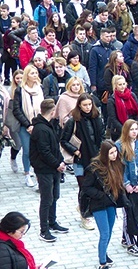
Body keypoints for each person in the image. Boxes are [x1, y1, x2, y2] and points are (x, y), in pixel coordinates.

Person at [82, 140, 129, 269]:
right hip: (98, 203)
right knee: (105, 233)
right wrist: (100, 195)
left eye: (115, 152)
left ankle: (104, 253)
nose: (114, 155)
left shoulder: (118, 165)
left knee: (109, 231)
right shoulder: (95, 168)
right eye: (111, 153)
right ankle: (102, 263)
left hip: (111, 202)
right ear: (104, 154)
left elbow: (119, 185)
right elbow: (86, 187)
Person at [29, 99, 69, 243]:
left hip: (53, 168)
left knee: (54, 196)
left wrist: (61, 162)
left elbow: (54, 147)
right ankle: (43, 230)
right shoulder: (40, 129)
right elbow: (44, 151)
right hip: (44, 169)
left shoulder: (48, 125)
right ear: (52, 112)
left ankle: (52, 223)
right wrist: (57, 163)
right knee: (46, 199)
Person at [115, 119, 138, 257]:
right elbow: (119, 168)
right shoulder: (119, 146)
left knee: (134, 211)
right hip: (124, 186)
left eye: (136, 129)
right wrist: (126, 184)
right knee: (128, 214)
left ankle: (125, 237)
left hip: (136, 185)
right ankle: (130, 243)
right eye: (131, 129)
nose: (134, 132)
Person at [12, 65, 44, 187]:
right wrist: (28, 124)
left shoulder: (40, 88)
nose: (35, 75)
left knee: (39, 150)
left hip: (39, 124)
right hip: (25, 125)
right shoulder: (20, 90)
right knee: (27, 150)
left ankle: (37, 173)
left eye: (36, 73)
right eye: (32, 73)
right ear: (27, 75)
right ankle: (27, 173)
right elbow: (17, 110)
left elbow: (44, 106)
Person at [106, 75, 138, 142]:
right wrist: (125, 130)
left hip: (134, 128)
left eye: (124, 84)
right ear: (115, 86)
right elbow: (113, 118)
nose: (122, 86)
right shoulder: (112, 100)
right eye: (120, 84)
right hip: (120, 130)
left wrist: (135, 127)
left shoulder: (132, 95)